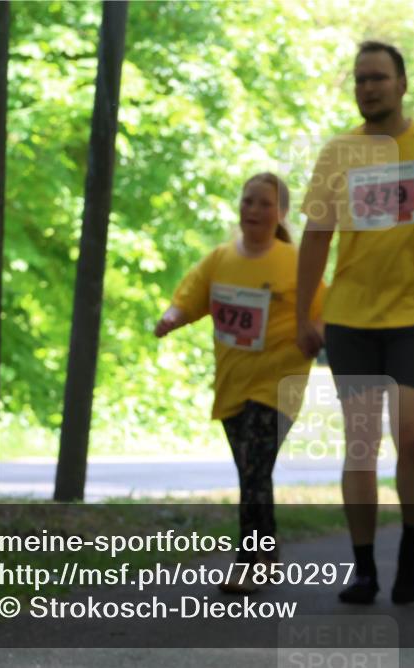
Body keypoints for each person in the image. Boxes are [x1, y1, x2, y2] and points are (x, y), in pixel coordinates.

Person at [295, 41, 414, 604]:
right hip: (350, 318)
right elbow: (315, 238)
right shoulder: (338, 154)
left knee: (412, 438)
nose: (368, 87)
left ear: (402, 83)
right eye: (359, 80)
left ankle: (411, 545)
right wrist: (306, 311)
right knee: (359, 446)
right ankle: (363, 567)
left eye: (378, 77)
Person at [156, 172, 325, 592]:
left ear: (281, 212)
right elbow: (190, 298)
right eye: (248, 201)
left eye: (264, 204)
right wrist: (171, 319)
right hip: (233, 382)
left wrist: (316, 333)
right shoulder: (220, 259)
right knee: (252, 472)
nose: (253, 210)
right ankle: (267, 553)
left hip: (278, 381)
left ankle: (250, 562)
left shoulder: (296, 261)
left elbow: (324, 310)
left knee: (253, 468)